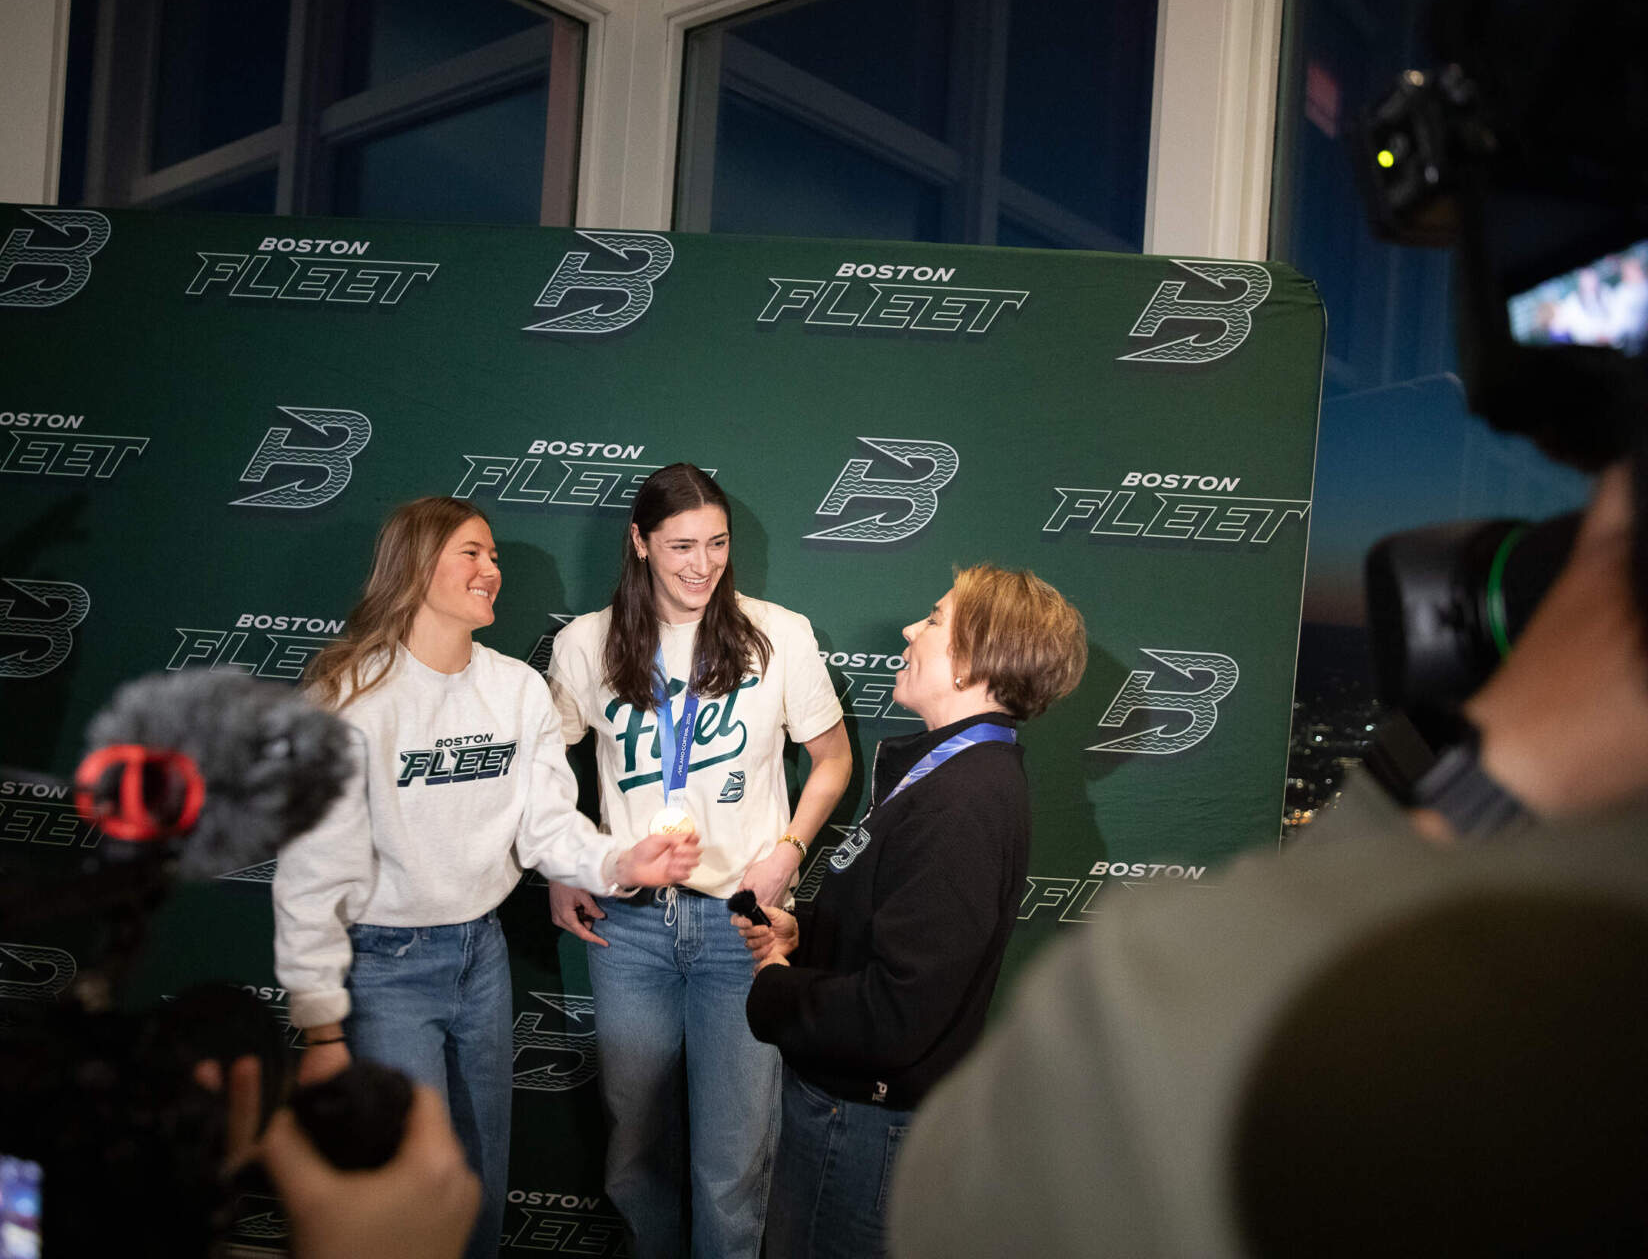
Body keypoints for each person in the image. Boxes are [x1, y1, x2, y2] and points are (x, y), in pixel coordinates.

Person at [886, 471, 1648, 1257]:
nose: (912, 629)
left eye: (936, 619)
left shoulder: (1159, 978)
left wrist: (1487, 762)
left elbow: (958, 1202)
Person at [272, 495, 701, 1258]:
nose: (492, 570)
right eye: (471, 552)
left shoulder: (516, 689)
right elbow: (310, 872)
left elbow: (547, 825)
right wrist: (322, 1026)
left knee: (475, 1183)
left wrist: (618, 861)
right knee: (405, 1195)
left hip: (480, 954)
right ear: (414, 565)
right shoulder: (350, 697)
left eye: (495, 555)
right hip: (381, 965)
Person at [733, 566, 1086, 1259]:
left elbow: (900, 1013)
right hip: (856, 1115)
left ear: (975, 658)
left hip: (861, 1125)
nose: (908, 630)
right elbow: (901, 937)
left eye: (932, 619)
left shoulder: (962, 802)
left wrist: (777, 981)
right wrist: (804, 940)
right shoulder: (957, 775)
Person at [545, 463, 853, 1259]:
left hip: (739, 929)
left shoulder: (778, 632)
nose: (701, 564)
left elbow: (833, 759)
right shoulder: (586, 641)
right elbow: (543, 773)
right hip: (630, 931)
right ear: (639, 543)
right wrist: (561, 868)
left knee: (734, 1162)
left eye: (716, 544)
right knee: (635, 1151)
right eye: (681, 545)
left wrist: (788, 851)